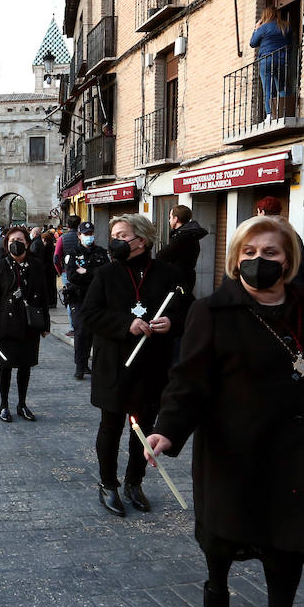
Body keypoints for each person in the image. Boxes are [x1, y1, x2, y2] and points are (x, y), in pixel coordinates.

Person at [144, 215, 304, 607]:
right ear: (236, 261)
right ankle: (216, 590)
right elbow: (188, 380)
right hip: (232, 445)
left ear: (289, 259)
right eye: (250, 254)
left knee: (289, 544)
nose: (260, 261)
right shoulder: (212, 311)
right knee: (222, 533)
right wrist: (167, 430)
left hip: (295, 446)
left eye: (271, 253)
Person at [80, 214, 183, 514]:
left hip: (151, 366)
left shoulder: (167, 274)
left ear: (143, 239)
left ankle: (134, 481)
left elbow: (185, 314)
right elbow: (89, 315)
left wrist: (171, 323)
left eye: (122, 235)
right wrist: (128, 324)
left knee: (144, 427)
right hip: (114, 364)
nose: (116, 241)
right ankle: (108, 484)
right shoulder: (105, 275)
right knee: (110, 426)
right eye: (114, 235)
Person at [0, 227, 50, 422]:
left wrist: (45, 324)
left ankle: (22, 404)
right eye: (12, 240)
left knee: (25, 366)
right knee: (6, 366)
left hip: (29, 323)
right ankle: (4, 405)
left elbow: (43, 295)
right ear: (7, 244)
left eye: (19, 239)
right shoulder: (0, 266)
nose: (15, 243)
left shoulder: (36, 265)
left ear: (27, 243)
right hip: (6, 324)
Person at [64, 221, 109, 379]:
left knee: (92, 332)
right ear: (79, 235)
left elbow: (106, 274)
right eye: (86, 234)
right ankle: (80, 365)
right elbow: (72, 276)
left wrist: (87, 272)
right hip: (79, 297)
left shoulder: (101, 252)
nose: (89, 237)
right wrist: (93, 274)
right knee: (81, 331)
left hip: (97, 298)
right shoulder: (73, 253)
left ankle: (87, 364)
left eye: (91, 234)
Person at [255, 196, 304, 286]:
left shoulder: (257, 234)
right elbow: (303, 262)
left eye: (258, 212)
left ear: (262, 212)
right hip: (296, 285)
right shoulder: (292, 234)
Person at [249, 6, 291, 120]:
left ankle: (270, 115)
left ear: (265, 16)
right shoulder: (285, 26)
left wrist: (256, 29)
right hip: (282, 59)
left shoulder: (263, 28)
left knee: (268, 88)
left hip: (266, 59)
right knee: (282, 87)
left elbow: (253, 43)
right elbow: (290, 42)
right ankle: (285, 112)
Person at [157, 205, 207, 294]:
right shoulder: (189, 234)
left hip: (179, 280)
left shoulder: (182, 236)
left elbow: (161, 256)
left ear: (176, 219)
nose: (169, 220)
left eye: (170, 217)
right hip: (186, 277)